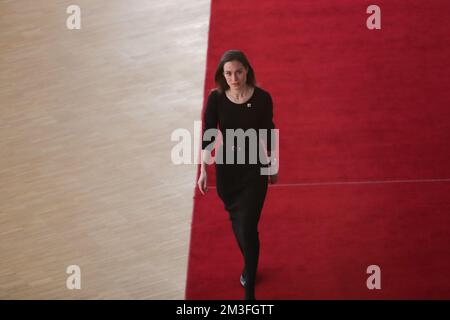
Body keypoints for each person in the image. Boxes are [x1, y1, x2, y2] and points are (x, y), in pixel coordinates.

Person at [197, 49, 278, 300]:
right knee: (239, 226)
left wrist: (272, 166)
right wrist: (203, 171)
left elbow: (269, 131)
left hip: (254, 169)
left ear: (247, 72)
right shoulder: (216, 99)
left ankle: (249, 290)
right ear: (222, 75)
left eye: (239, 72)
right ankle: (249, 266)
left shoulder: (263, 98)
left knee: (248, 226)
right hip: (227, 172)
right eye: (229, 73)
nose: (234, 77)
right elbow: (208, 136)